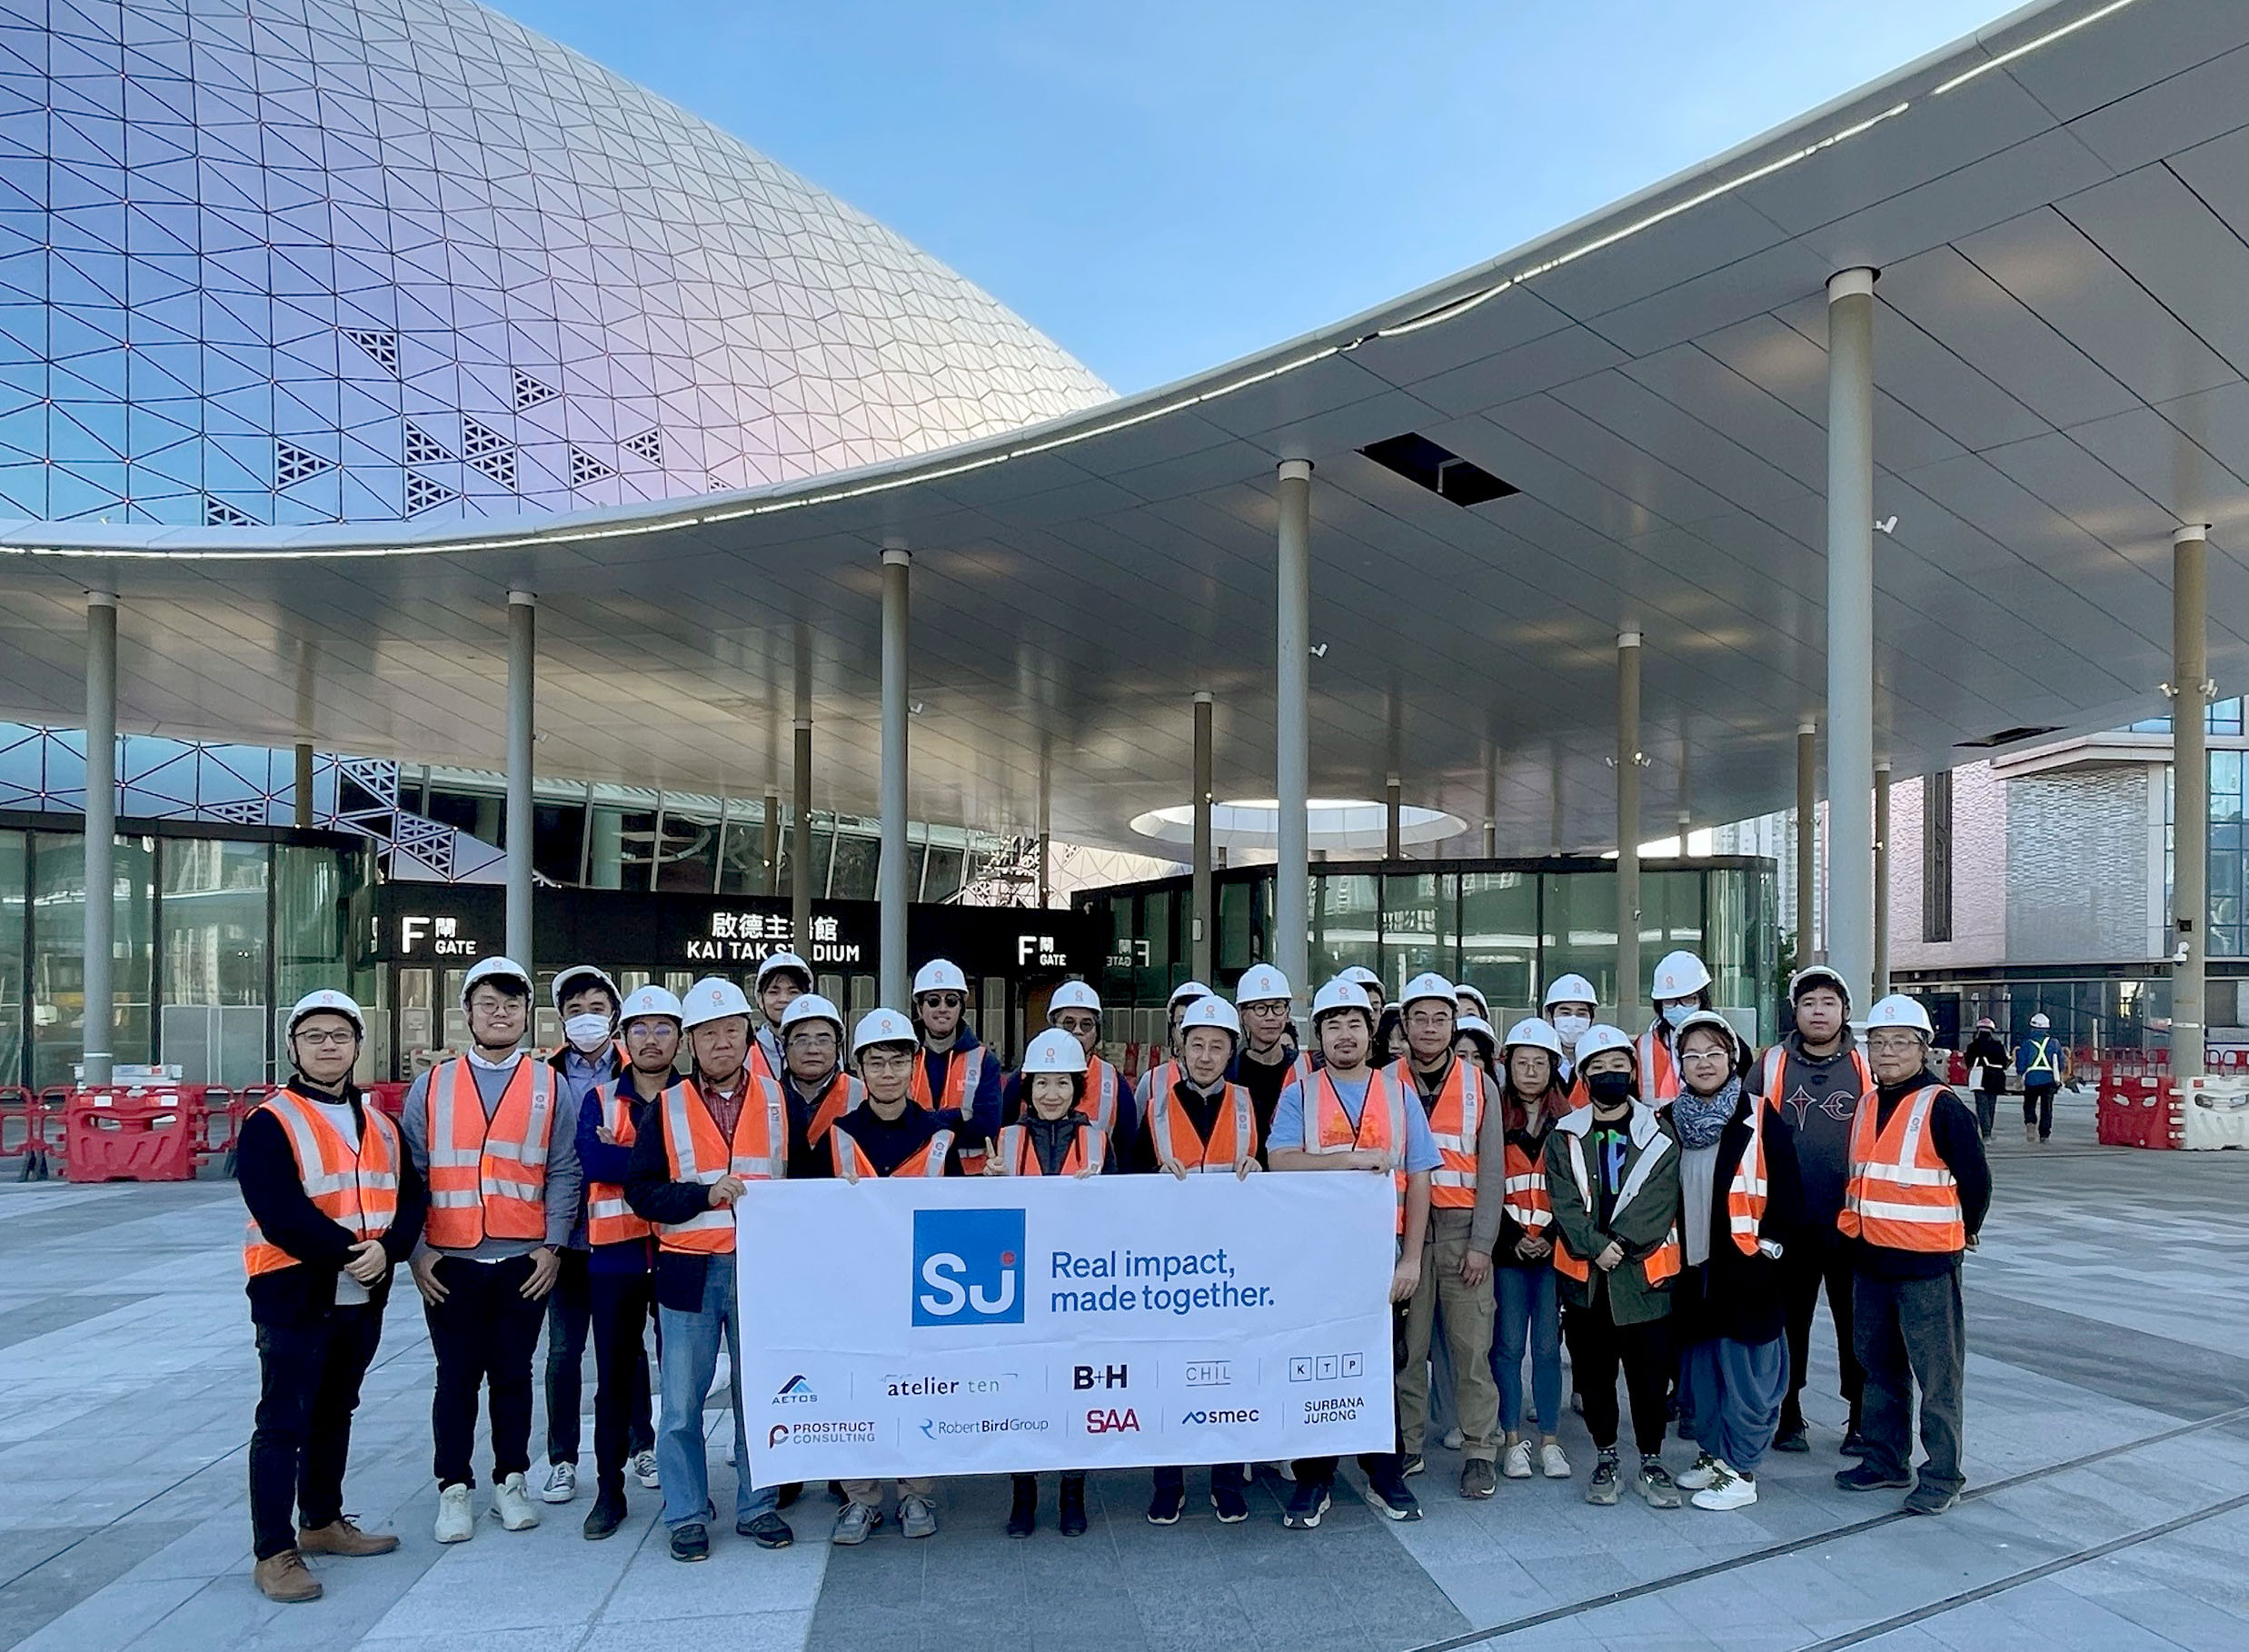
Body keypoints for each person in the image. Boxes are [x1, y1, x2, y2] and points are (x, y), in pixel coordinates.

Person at [236, 990, 425, 1603]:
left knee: (335, 1408)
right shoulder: (271, 1121)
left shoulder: (381, 1123)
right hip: (294, 1290)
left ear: (356, 1046)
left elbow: (410, 1198)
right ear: (292, 1046)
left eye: (339, 1036)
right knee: (282, 1420)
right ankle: (274, 1551)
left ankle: (321, 1521)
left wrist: (390, 1249)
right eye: (314, 1036)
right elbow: (277, 1209)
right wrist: (353, 1253)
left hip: (362, 1291)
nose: (327, 1046)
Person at [400, 956, 581, 1543]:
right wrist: (417, 1250)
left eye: (511, 1004)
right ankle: (453, 1488)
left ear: (527, 1015)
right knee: (454, 1378)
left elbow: (563, 1170)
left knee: (511, 1375)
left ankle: (511, 1479)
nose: (500, 1014)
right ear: (467, 1014)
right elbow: (412, 1172)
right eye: (488, 1004)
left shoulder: (549, 1083)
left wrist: (553, 1245)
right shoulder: (433, 1085)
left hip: (523, 1260)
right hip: (449, 1261)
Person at [623, 976, 794, 1561]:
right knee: (680, 1403)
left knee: (761, 1394)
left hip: (762, 1271)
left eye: (732, 1030)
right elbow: (641, 1193)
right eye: (709, 1033)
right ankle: (687, 1512)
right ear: (691, 1041)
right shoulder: (666, 1107)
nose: (722, 1042)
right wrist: (702, 1195)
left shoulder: (778, 1100)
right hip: (687, 1269)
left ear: (749, 1034)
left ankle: (758, 1506)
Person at [1268, 976, 1437, 1529]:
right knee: (1319, 1365)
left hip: (1381, 1255)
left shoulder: (1398, 1092)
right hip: (1316, 1258)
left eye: (1355, 1023)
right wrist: (1351, 1160)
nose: (1345, 1033)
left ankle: (1382, 1471)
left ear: (1371, 1032)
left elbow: (1420, 1178)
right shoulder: (1301, 1092)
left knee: (1381, 1364)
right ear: (1319, 1034)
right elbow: (1281, 1161)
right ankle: (1314, 1477)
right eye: (1333, 1024)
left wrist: (1410, 1261)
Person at [1835, 995, 1992, 1517]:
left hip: (1925, 1265)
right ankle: (1884, 1459)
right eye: (1877, 1043)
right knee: (1878, 1369)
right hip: (1872, 1262)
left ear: (1923, 1048)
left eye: (1900, 1042)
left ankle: (1943, 1475)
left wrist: (1962, 1231)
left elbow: (1976, 1182)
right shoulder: (1866, 1104)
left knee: (1938, 1377)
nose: (1887, 1052)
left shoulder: (1942, 1105)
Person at [827, 1008, 962, 1545]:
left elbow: (956, 1212)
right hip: (854, 1289)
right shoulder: (836, 1136)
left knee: (918, 1392)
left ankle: (916, 1494)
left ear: (913, 1065)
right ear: (859, 1068)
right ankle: (860, 1499)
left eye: (897, 1061)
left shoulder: (938, 1135)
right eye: (876, 1062)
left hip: (922, 1289)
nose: (887, 1072)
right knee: (856, 1392)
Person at [1667, 1011, 1804, 1511]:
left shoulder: (1760, 1116)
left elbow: (1788, 1198)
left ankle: (1742, 1471)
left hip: (1746, 1270)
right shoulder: (1669, 1120)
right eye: (1692, 1055)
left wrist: (1772, 1254)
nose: (1703, 1063)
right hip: (1692, 1270)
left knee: (1747, 1373)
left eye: (1713, 1054)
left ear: (1733, 1059)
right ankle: (1714, 1456)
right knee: (1703, 1374)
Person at [1546, 1023, 1682, 1509]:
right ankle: (1606, 1455)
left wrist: (1617, 1244)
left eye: (1618, 1067)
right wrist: (1594, 1245)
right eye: (1598, 1069)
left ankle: (1651, 1458)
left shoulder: (1661, 1132)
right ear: (1583, 1076)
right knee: (1594, 1375)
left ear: (1632, 1071)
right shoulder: (1564, 1136)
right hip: (1587, 1283)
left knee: (1649, 1379)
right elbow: (1562, 1200)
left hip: (1644, 1278)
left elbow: (1660, 1199)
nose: (1609, 1076)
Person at [1137, 994, 1260, 1526]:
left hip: (1231, 1268)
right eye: (1197, 1045)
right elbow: (1127, 1184)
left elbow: (1267, 1174)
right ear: (1180, 1049)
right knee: (1167, 1375)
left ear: (1230, 1051)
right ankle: (1169, 1483)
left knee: (1230, 1373)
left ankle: (1226, 1481)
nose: (1206, 1055)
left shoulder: (1246, 1102)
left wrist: (1259, 1169)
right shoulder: (1156, 1104)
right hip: (1169, 1267)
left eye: (1216, 1046)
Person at [990, 1028, 1112, 1538]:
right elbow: (995, 1219)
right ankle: (1024, 1494)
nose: (1051, 1094)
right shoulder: (1009, 1139)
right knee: (1024, 1392)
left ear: (1077, 1087)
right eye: (1042, 1083)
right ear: (1028, 1087)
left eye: (1062, 1082)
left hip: (1079, 1288)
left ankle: (1072, 1491)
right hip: (1024, 1286)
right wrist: (991, 1186)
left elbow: (1122, 1219)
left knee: (1073, 1392)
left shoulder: (1097, 1141)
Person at [1387, 973, 1500, 1499]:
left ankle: (1480, 1450)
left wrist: (1481, 1244)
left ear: (1454, 1026)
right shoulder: (1383, 1082)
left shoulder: (1481, 1086)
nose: (1430, 1028)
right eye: (1420, 1018)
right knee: (1408, 1352)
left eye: (1440, 1018)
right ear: (1403, 1025)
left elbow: (1493, 1173)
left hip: (1460, 1238)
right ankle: (1406, 1444)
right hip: (1404, 1237)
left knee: (1472, 1351)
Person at [572, 985, 676, 1539]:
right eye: (640, 1029)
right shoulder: (600, 1098)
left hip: (680, 1251)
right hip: (614, 1257)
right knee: (612, 1378)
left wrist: (627, 1156)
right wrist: (659, 1162)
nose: (652, 1039)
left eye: (663, 1029)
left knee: (682, 1377)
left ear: (679, 1038)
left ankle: (685, 1488)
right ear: (622, 1039)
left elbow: (700, 1163)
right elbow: (592, 1161)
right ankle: (608, 1493)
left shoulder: (692, 1096)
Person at [1758, 963, 1875, 1456]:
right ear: (1795, 1012)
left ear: (1845, 1011)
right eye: (1809, 1003)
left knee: (1858, 1326)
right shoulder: (1769, 1065)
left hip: (1853, 1222)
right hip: (1789, 1223)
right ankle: (1788, 1415)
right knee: (1788, 1323)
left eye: (1828, 1003)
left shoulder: (1869, 1064)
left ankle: (1860, 1418)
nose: (1819, 1012)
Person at [1469, 1017, 1572, 1484]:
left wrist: (1549, 1238)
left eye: (1540, 1063)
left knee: (1548, 1349)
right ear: (1506, 1066)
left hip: (1553, 1255)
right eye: (1522, 1063)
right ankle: (1511, 1439)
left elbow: (1576, 1191)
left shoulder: (1569, 1123)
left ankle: (1550, 1440)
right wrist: (1514, 1238)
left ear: (1554, 1068)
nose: (1530, 1072)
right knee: (1507, 1347)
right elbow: (1487, 1185)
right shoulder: (1492, 1118)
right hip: (1509, 1254)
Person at [540, 962, 627, 1508]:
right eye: (575, 1011)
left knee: (626, 1353)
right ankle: (563, 1459)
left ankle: (639, 1443)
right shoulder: (543, 1076)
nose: (587, 1019)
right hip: (565, 1237)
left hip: (623, 1234)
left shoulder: (639, 1069)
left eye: (596, 1008)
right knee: (564, 1352)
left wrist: (605, 1150)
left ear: (614, 1014)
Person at [1007, 980, 1134, 1141]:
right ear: (1053, 1026)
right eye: (1069, 1023)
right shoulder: (1024, 1077)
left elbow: (1128, 1152)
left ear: (1097, 1032)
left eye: (1086, 1024)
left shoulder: (1115, 1082)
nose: (1077, 1031)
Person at [910, 959, 1003, 1173]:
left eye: (951, 1001)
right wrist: (958, 1116)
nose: (942, 1008)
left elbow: (987, 1127)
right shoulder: (902, 1055)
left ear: (961, 1007)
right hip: (912, 1175)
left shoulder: (984, 1061)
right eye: (933, 1001)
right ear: (919, 1006)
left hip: (970, 1179)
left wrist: (924, 1121)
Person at [776, 992, 861, 1174]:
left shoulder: (862, 1094)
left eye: (823, 1040)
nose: (813, 1049)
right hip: (780, 1198)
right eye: (801, 1040)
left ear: (838, 1047)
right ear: (785, 1047)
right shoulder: (767, 1097)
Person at [1233, 963, 1311, 1157]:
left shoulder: (1308, 1069)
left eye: (1277, 1007)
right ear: (1242, 1015)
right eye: (1260, 1008)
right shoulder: (1229, 1073)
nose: (1270, 1017)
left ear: (1287, 1012)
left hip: (1296, 1176)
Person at [1640, 950, 1713, 1105]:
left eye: (1688, 1000)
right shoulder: (1642, 1047)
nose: (1678, 1007)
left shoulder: (1729, 1045)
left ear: (1702, 999)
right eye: (1670, 1001)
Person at [1135, 980, 1214, 1113]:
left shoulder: (1233, 1077)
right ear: (1172, 1030)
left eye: (1196, 1022)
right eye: (1182, 1022)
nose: (1188, 1030)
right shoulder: (1152, 1082)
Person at [751, 950, 811, 1086]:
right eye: (774, 992)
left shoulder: (824, 1047)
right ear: (760, 999)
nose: (784, 999)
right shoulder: (745, 1050)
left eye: (793, 992)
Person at [1541, 973, 1598, 1100]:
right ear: (1550, 1017)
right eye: (1565, 1013)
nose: (1573, 1020)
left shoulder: (1600, 1062)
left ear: (1591, 1019)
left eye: (1581, 1014)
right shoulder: (1538, 1061)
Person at [2015, 1012, 2065, 1145]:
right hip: (2049, 1080)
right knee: (2047, 1107)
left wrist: (2019, 1075)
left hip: (2032, 1079)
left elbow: (2021, 1061)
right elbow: (2061, 1062)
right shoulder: (2054, 1043)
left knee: (2029, 1104)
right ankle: (2044, 1134)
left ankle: (2030, 1125)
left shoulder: (2027, 1043)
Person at [1962, 1018, 2008, 1141]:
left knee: (1982, 1106)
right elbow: (2004, 1063)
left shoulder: (1972, 1046)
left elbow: (1968, 1063)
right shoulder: (1998, 1046)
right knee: (1991, 1106)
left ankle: (1985, 1133)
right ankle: (1988, 1131)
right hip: (1995, 1078)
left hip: (1979, 1078)